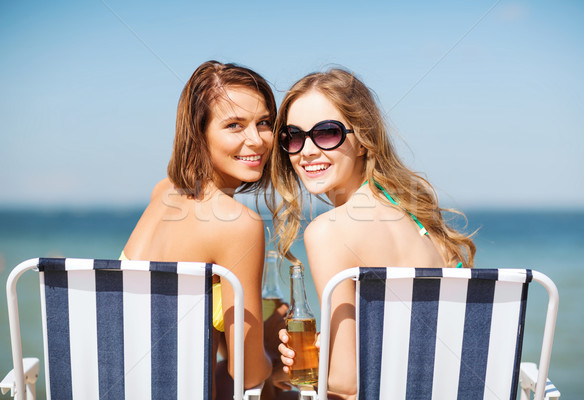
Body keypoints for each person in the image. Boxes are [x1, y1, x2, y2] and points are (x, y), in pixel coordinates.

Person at [269, 68, 476, 399]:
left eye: (326, 133)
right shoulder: (419, 219)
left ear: (363, 139)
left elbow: (346, 382)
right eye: (293, 137)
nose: (306, 151)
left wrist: (286, 372)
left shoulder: (328, 231)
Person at [121, 60, 285, 399]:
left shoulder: (163, 190)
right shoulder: (238, 223)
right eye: (235, 125)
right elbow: (246, 375)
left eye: (264, 123)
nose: (256, 140)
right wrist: (273, 351)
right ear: (200, 132)